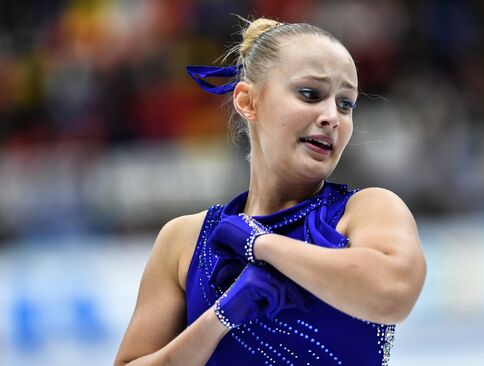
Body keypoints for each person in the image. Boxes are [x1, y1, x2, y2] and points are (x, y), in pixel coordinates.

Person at [114, 17, 426, 366]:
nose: (332, 117)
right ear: (248, 101)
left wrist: (261, 244)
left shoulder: (367, 211)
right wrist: (219, 319)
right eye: (311, 94)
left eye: (345, 104)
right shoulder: (185, 240)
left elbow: (394, 294)